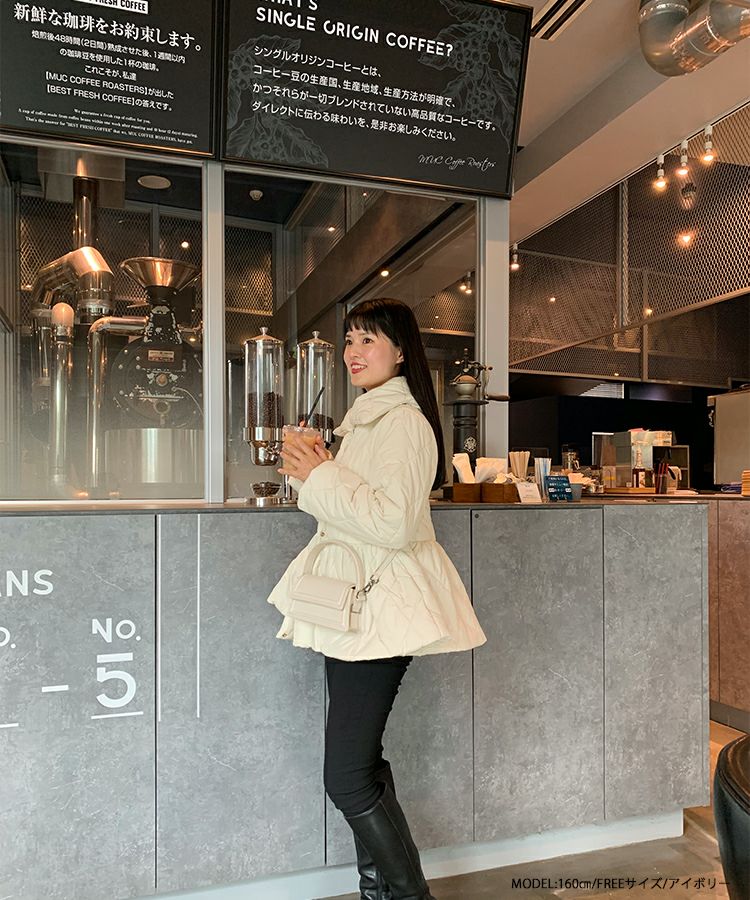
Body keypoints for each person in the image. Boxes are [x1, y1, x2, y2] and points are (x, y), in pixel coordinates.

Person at [267, 298, 486, 900]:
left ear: (400, 351)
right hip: (355, 608)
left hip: (380, 609)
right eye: (350, 340)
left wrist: (320, 473)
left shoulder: (403, 423)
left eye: (368, 339)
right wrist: (316, 469)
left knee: (345, 775)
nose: (353, 352)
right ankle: (380, 892)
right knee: (361, 765)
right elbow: (352, 510)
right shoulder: (364, 419)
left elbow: (391, 523)